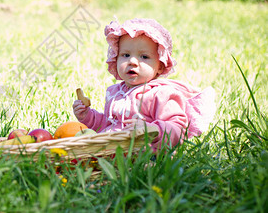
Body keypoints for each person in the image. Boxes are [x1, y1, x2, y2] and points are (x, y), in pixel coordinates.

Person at [72, 18, 216, 150]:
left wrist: (152, 130)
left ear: (160, 66)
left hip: (144, 154)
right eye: (126, 55)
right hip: (110, 151)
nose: (132, 61)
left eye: (144, 57)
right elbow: (108, 124)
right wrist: (87, 116)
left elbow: (177, 129)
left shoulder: (161, 94)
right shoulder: (115, 92)